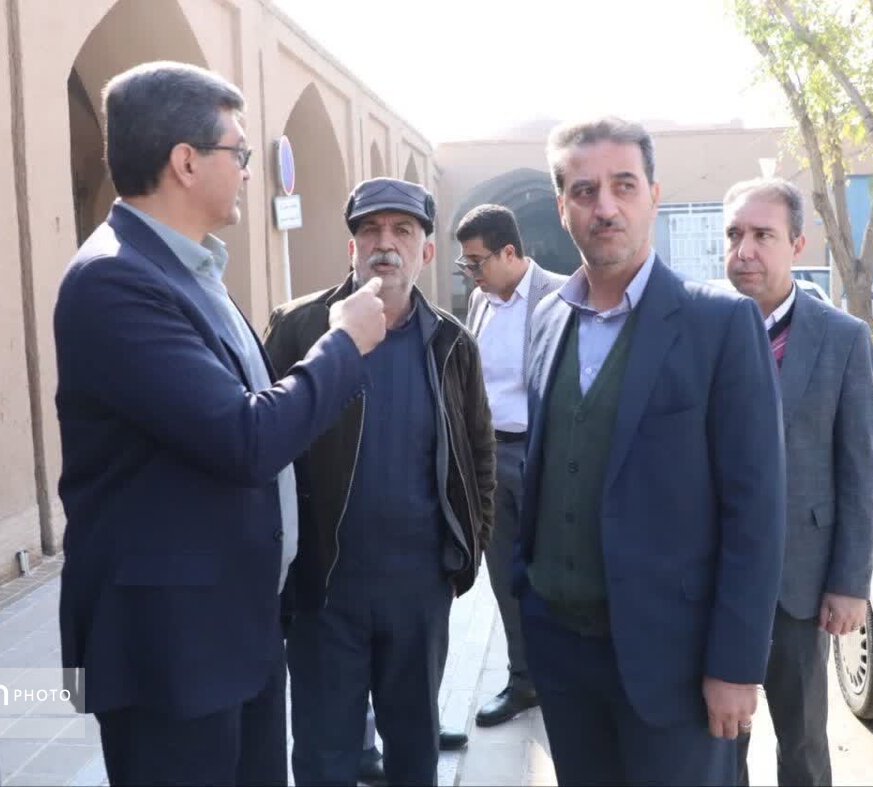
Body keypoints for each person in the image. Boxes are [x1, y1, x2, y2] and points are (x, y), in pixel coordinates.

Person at [52, 61, 386, 785]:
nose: (247, 170)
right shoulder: (114, 280)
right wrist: (343, 344)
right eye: (239, 151)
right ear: (185, 161)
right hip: (171, 651)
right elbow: (245, 438)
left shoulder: (189, 270)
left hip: (236, 630)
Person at [513, 117, 786, 786]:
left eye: (623, 186)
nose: (604, 207)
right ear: (563, 207)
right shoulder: (547, 319)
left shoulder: (719, 324)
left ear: (654, 196)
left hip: (676, 665)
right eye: (584, 191)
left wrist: (736, 666)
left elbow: (756, 509)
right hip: (563, 655)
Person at [264, 177, 495, 786]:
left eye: (402, 231)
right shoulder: (299, 328)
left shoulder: (452, 343)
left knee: (414, 750)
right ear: (352, 248)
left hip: (418, 593)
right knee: (323, 755)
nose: (384, 244)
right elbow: (263, 443)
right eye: (370, 230)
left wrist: (466, 552)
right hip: (324, 592)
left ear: (426, 251)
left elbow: (479, 454)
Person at [724, 178, 873, 787]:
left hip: (801, 582)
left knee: (805, 741)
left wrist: (849, 583)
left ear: (796, 243)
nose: (745, 251)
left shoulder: (842, 339)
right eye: (734, 235)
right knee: (718, 741)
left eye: (763, 235)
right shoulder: (699, 330)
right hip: (714, 580)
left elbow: (857, 470)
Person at [457, 204, 566, 727]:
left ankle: (567, 681)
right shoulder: (480, 300)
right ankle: (524, 681)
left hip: (544, 456)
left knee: (554, 574)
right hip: (490, 458)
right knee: (505, 578)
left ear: (509, 252)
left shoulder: (561, 296)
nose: (470, 273)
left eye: (476, 262)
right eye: (465, 264)